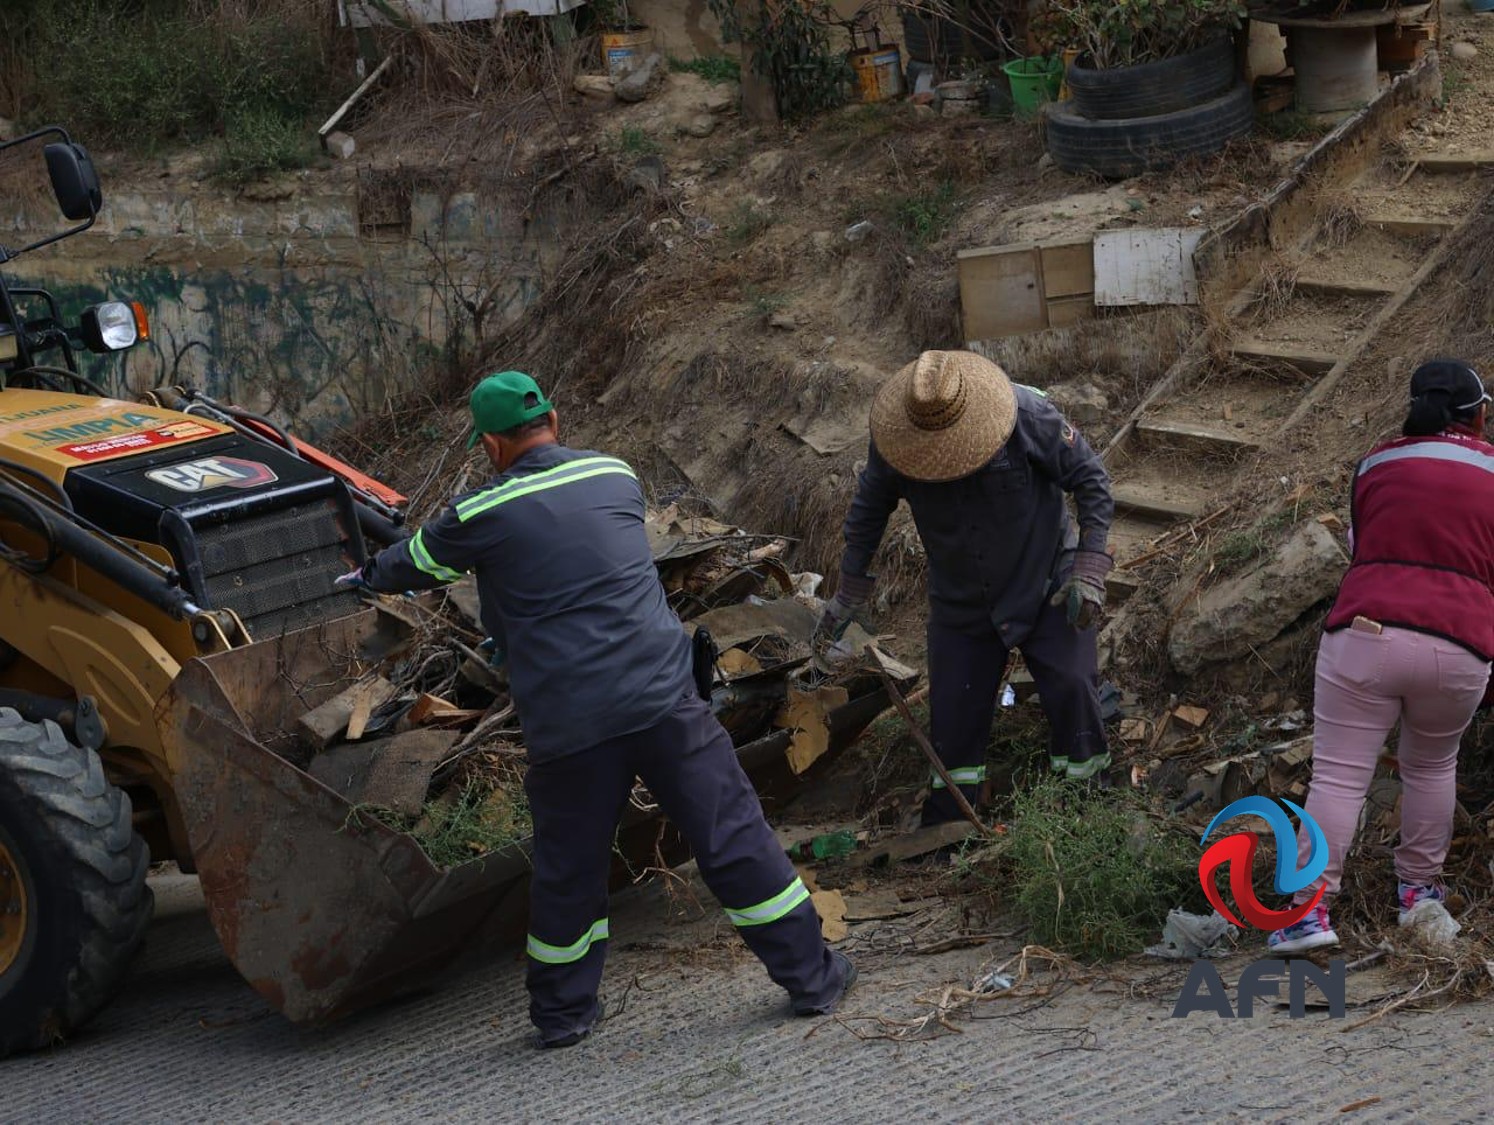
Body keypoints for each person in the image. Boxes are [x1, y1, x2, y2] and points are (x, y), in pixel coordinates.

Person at [343, 370, 854, 1046]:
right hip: (664, 697)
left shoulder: (477, 515)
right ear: (552, 419)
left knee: (570, 869)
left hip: (570, 723)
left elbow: (416, 564)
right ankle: (814, 980)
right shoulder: (616, 475)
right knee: (733, 836)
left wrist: (364, 574)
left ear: (492, 446)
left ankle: (562, 1015)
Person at [815, 350, 1116, 826]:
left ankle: (1088, 813)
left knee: (1075, 690)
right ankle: (954, 823)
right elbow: (869, 508)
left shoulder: (1028, 416)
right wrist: (849, 589)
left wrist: (1089, 568)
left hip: (1045, 582)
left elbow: (1092, 481)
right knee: (954, 721)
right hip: (962, 600)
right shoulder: (894, 441)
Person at [1267, 359, 1494, 953]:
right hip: (1460, 643)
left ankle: (1307, 915)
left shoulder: (1375, 462)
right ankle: (1420, 895)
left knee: (1340, 778)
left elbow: (1359, 545)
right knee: (1432, 767)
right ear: (1478, 415)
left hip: (1365, 634)